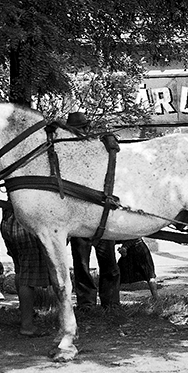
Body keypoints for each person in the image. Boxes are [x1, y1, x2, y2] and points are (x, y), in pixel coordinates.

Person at [65, 111, 122, 312]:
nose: (79, 133)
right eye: (75, 129)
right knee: (81, 266)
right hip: (79, 219)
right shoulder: (66, 155)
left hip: (101, 216)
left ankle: (111, 304)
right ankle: (87, 303)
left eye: (81, 129)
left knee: (109, 264)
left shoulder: (97, 150)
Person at [0, 202, 53, 336]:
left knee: (21, 270)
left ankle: (26, 312)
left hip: (9, 220)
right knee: (28, 277)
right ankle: (27, 325)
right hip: (24, 222)